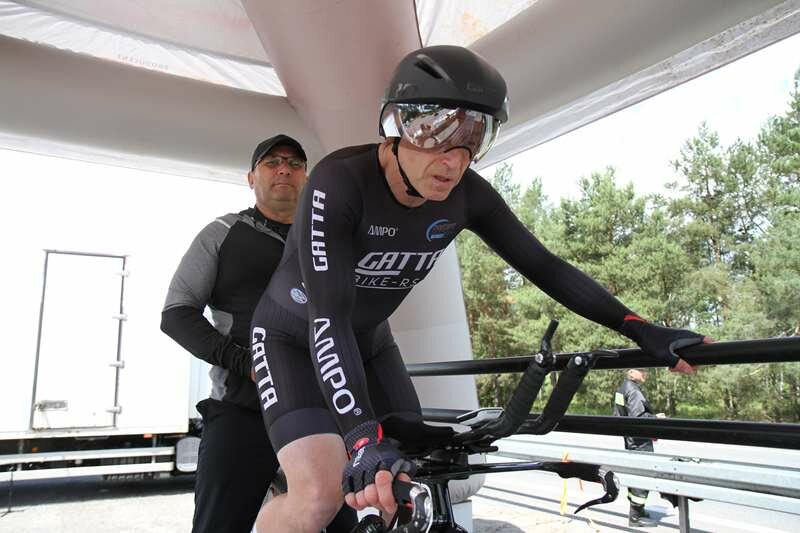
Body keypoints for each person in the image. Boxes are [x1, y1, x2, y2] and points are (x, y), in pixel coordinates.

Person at [250, 45, 711, 533]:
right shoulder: (338, 183)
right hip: (292, 338)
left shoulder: (468, 195)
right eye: (438, 135)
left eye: (475, 139)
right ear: (397, 126)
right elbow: (328, 317)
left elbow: (546, 267)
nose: (454, 160)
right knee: (320, 494)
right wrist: (362, 437)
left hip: (367, 341)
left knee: (406, 479)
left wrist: (640, 328)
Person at [160, 135, 355, 533]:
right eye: (272, 162)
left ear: (306, 178)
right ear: (251, 178)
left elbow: (359, 319)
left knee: (344, 525)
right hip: (242, 410)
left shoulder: (329, 239)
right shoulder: (221, 233)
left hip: (322, 414)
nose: (284, 169)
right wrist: (248, 363)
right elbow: (176, 314)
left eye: (295, 163)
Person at [614, 368, 663, 527]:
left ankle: (637, 511)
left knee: (636, 474)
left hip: (630, 438)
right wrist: (656, 418)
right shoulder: (633, 390)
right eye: (641, 370)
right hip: (639, 440)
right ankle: (635, 516)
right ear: (631, 372)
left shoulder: (623, 387)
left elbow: (619, 415)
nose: (645, 373)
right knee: (643, 475)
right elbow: (639, 418)